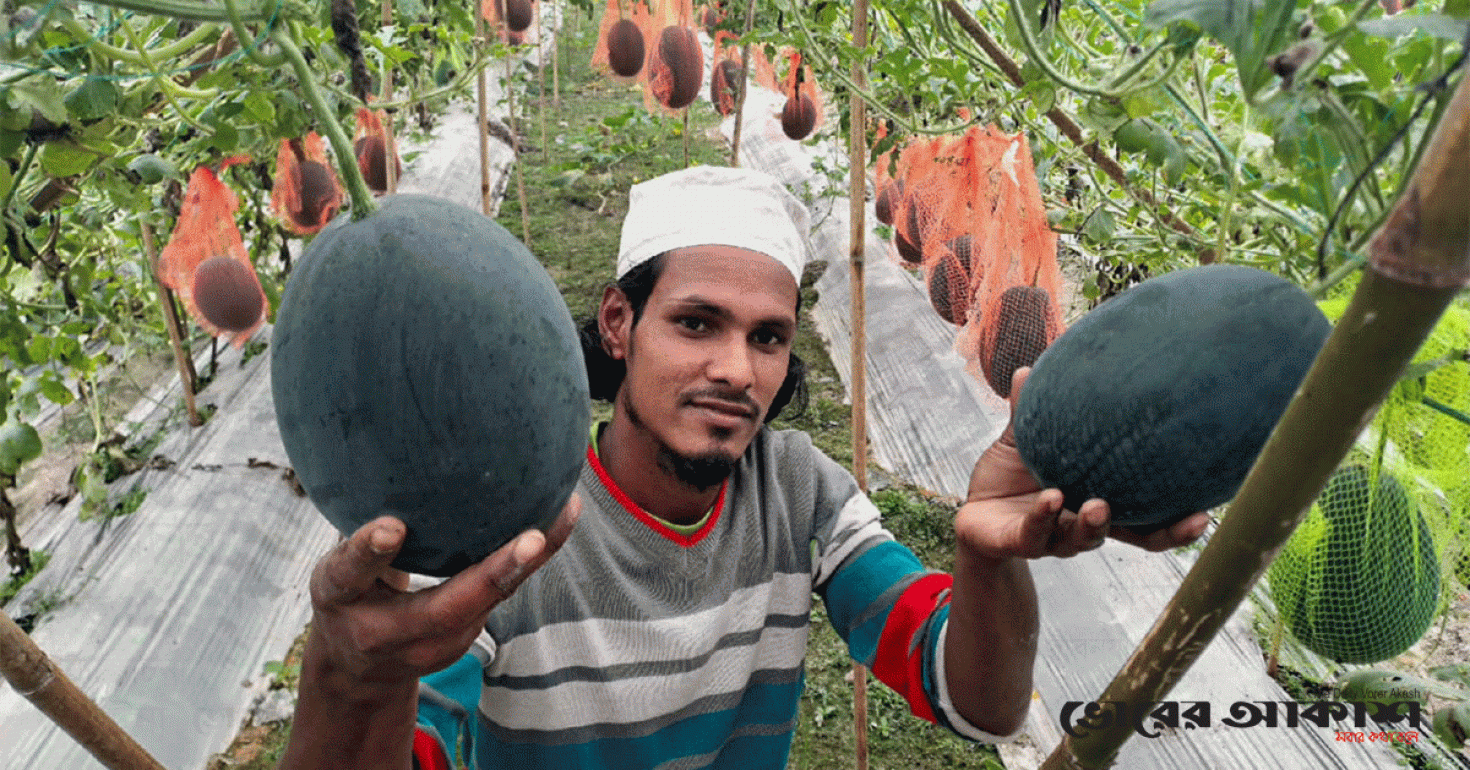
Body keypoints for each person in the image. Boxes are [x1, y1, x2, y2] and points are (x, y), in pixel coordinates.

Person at [276, 166, 1209, 770]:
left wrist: (987, 557)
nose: (736, 369)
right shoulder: (520, 531)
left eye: (767, 337)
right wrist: (356, 678)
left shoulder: (796, 488)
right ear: (617, 324)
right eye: (695, 323)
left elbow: (979, 706)